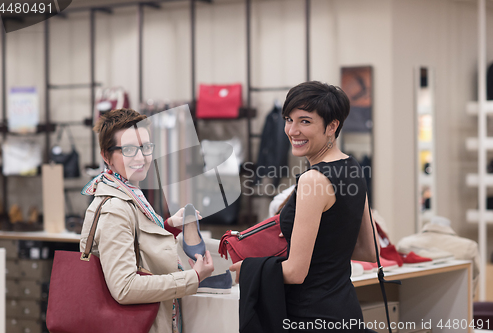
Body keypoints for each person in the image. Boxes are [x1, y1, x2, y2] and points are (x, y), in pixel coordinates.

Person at [230, 81, 379, 332]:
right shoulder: (354, 168)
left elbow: (296, 272)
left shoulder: (313, 180)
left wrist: (248, 268)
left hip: (311, 316)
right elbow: (368, 251)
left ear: (332, 126)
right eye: (289, 119)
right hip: (345, 311)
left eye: (305, 121)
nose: (292, 130)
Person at [80, 108, 214, 333]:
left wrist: (168, 226)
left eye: (146, 148)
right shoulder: (116, 208)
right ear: (106, 155)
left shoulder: (128, 193)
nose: (141, 158)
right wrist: (193, 277)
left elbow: (136, 247)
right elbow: (125, 288)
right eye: (130, 150)